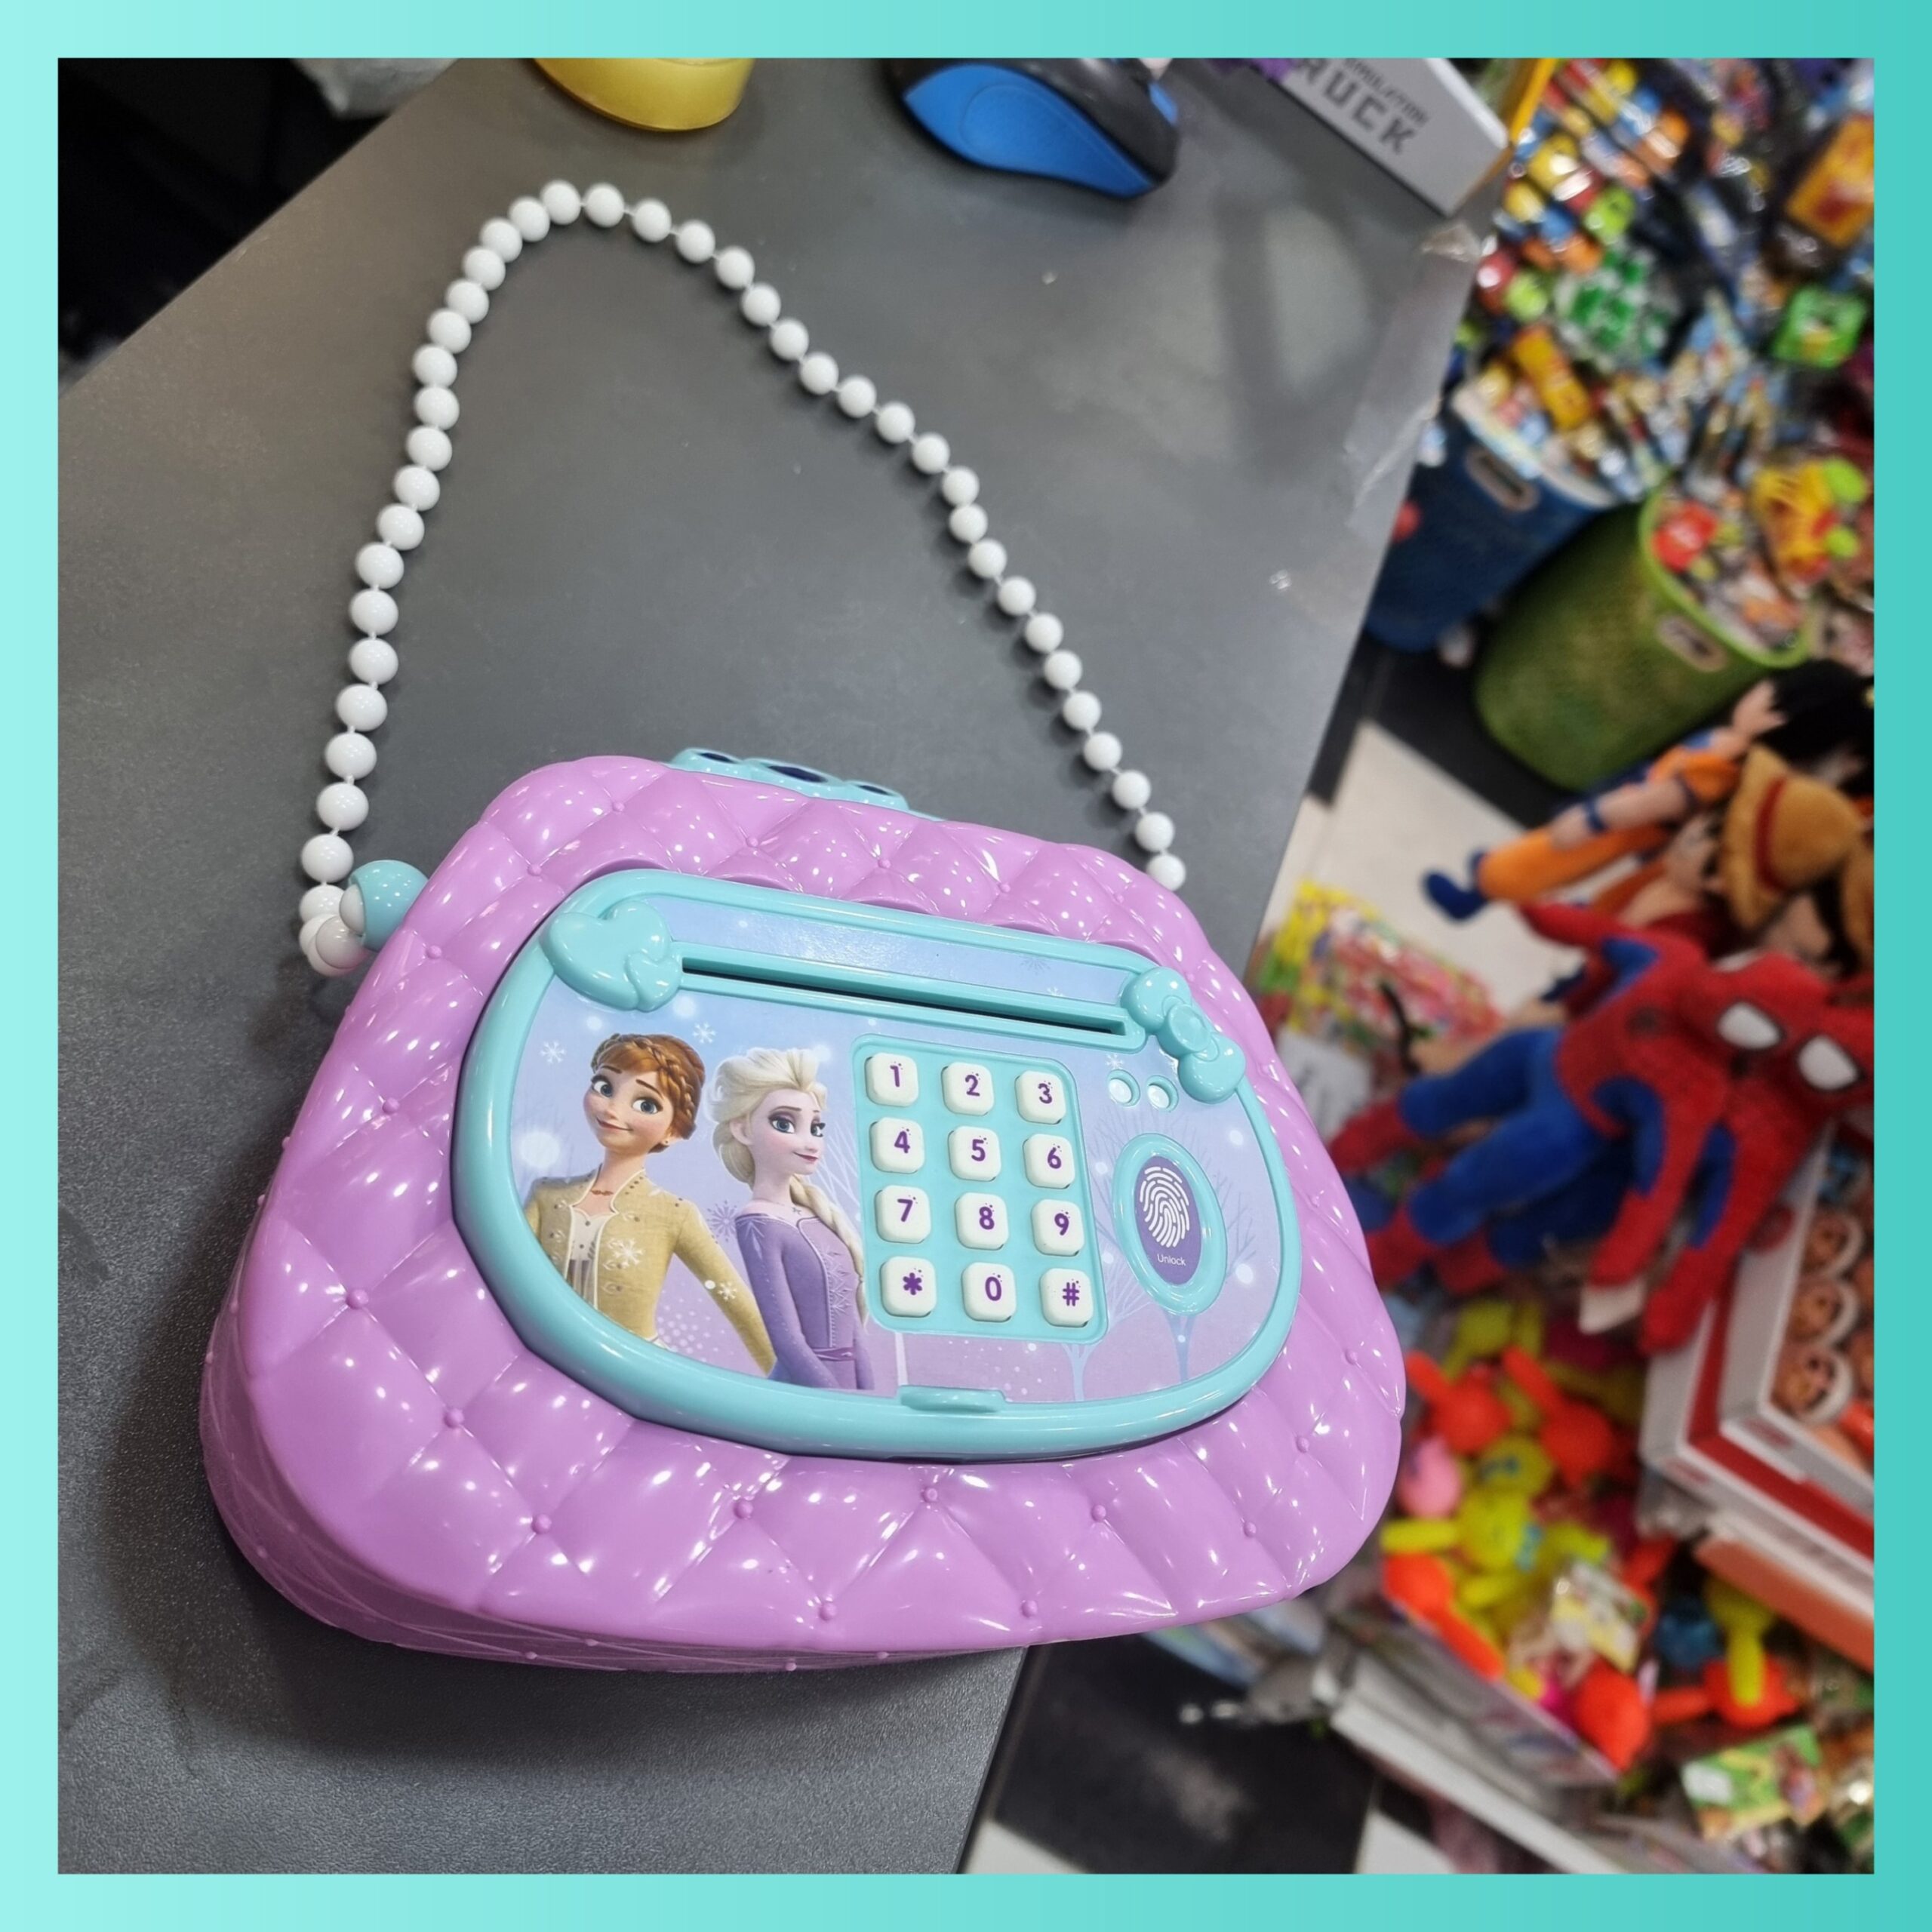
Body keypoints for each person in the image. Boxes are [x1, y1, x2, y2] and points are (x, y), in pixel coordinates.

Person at [524, 1034, 776, 1371]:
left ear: (672, 1131)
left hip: (637, 1373)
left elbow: (735, 1301)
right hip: (546, 1364)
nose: (612, 1109)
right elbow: (508, 1276)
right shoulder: (547, 1196)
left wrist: (792, 1385)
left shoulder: (673, 1214)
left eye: (646, 1104)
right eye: (604, 1087)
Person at [711, 1048, 878, 1391]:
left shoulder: (818, 1215)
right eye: (784, 1123)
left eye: (816, 1127)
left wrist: (867, 1392)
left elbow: (853, 1328)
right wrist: (835, 1399)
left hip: (846, 1391)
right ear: (743, 1130)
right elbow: (787, 1340)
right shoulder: (758, 1222)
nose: (810, 1142)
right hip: (804, 1390)